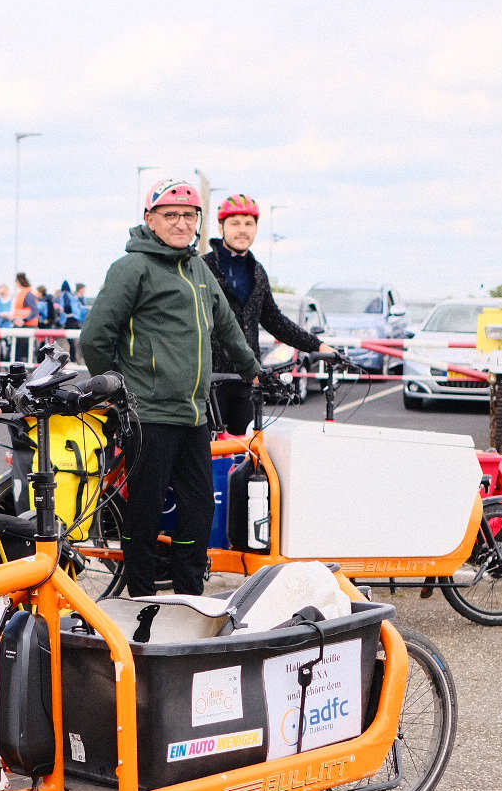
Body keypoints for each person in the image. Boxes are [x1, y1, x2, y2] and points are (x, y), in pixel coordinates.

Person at [81, 179, 260, 596]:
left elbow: (227, 324)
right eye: (171, 215)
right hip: (150, 414)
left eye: (189, 215)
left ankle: (186, 589)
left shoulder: (197, 268)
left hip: (193, 412)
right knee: (145, 509)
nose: (181, 223)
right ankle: (140, 592)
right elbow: (94, 337)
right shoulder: (132, 268)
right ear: (150, 220)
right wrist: (116, 395)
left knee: (199, 508)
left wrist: (252, 368)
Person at [200, 194, 333, 435]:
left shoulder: (257, 271)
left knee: (246, 450)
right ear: (221, 227)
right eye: (235, 223)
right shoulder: (203, 267)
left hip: (248, 380)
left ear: (256, 228)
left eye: (249, 223)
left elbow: (274, 320)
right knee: (209, 455)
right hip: (209, 380)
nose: (243, 230)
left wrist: (319, 346)